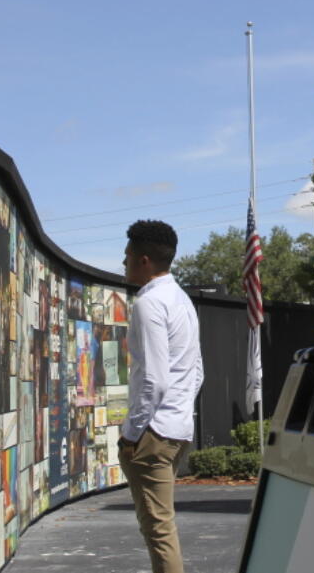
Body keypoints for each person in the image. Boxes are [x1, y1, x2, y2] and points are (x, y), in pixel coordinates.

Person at [118, 219, 203, 573]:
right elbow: (197, 371)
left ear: (144, 260)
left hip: (154, 433)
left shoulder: (150, 303)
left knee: (159, 531)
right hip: (177, 427)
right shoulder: (181, 299)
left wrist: (133, 435)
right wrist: (180, 412)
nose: (122, 262)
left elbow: (153, 379)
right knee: (161, 527)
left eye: (126, 255)